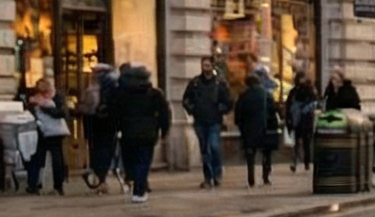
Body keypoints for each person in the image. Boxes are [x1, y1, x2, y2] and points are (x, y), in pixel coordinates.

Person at [107, 62, 169, 203]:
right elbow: (164, 114)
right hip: (148, 133)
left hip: (128, 132)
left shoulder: (121, 94)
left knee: (131, 161)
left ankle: (134, 182)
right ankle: (139, 190)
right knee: (143, 162)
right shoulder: (154, 94)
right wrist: (163, 130)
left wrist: (116, 129)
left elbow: (114, 113)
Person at [181, 58, 231, 189]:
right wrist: (192, 110)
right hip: (200, 121)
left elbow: (229, 101)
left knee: (213, 146)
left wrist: (220, 110)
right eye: (204, 65)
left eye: (208, 65)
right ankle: (208, 177)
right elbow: (186, 99)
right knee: (204, 150)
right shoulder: (195, 83)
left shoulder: (219, 83)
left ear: (212, 66)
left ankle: (217, 174)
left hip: (214, 121)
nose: (206, 68)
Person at [235, 69, 283, 186]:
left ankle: (251, 177)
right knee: (266, 153)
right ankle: (266, 175)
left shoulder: (243, 96)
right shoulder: (266, 95)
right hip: (264, 128)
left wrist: (241, 126)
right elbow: (273, 112)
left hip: (249, 129)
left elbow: (238, 114)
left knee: (250, 155)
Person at [23, 79, 69, 194]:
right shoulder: (55, 99)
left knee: (38, 158)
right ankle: (58, 185)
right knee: (57, 158)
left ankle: (34, 184)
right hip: (58, 131)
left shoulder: (37, 101)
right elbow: (63, 113)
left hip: (44, 132)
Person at [80, 63, 119, 192]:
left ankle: (98, 176)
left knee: (97, 150)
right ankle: (101, 178)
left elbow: (85, 108)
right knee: (106, 151)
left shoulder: (92, 89)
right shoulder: (114, 86)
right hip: (108, 124)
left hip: (95, 124)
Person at [285, 73, 321, 172]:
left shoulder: (309, 90)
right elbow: (288, 105)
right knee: (296, 143)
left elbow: (316, 102)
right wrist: (288, 118)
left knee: (306, 143)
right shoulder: (294, 91)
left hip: (305, 120)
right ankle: (295, 162)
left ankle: (306, 162)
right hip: (298, 120)